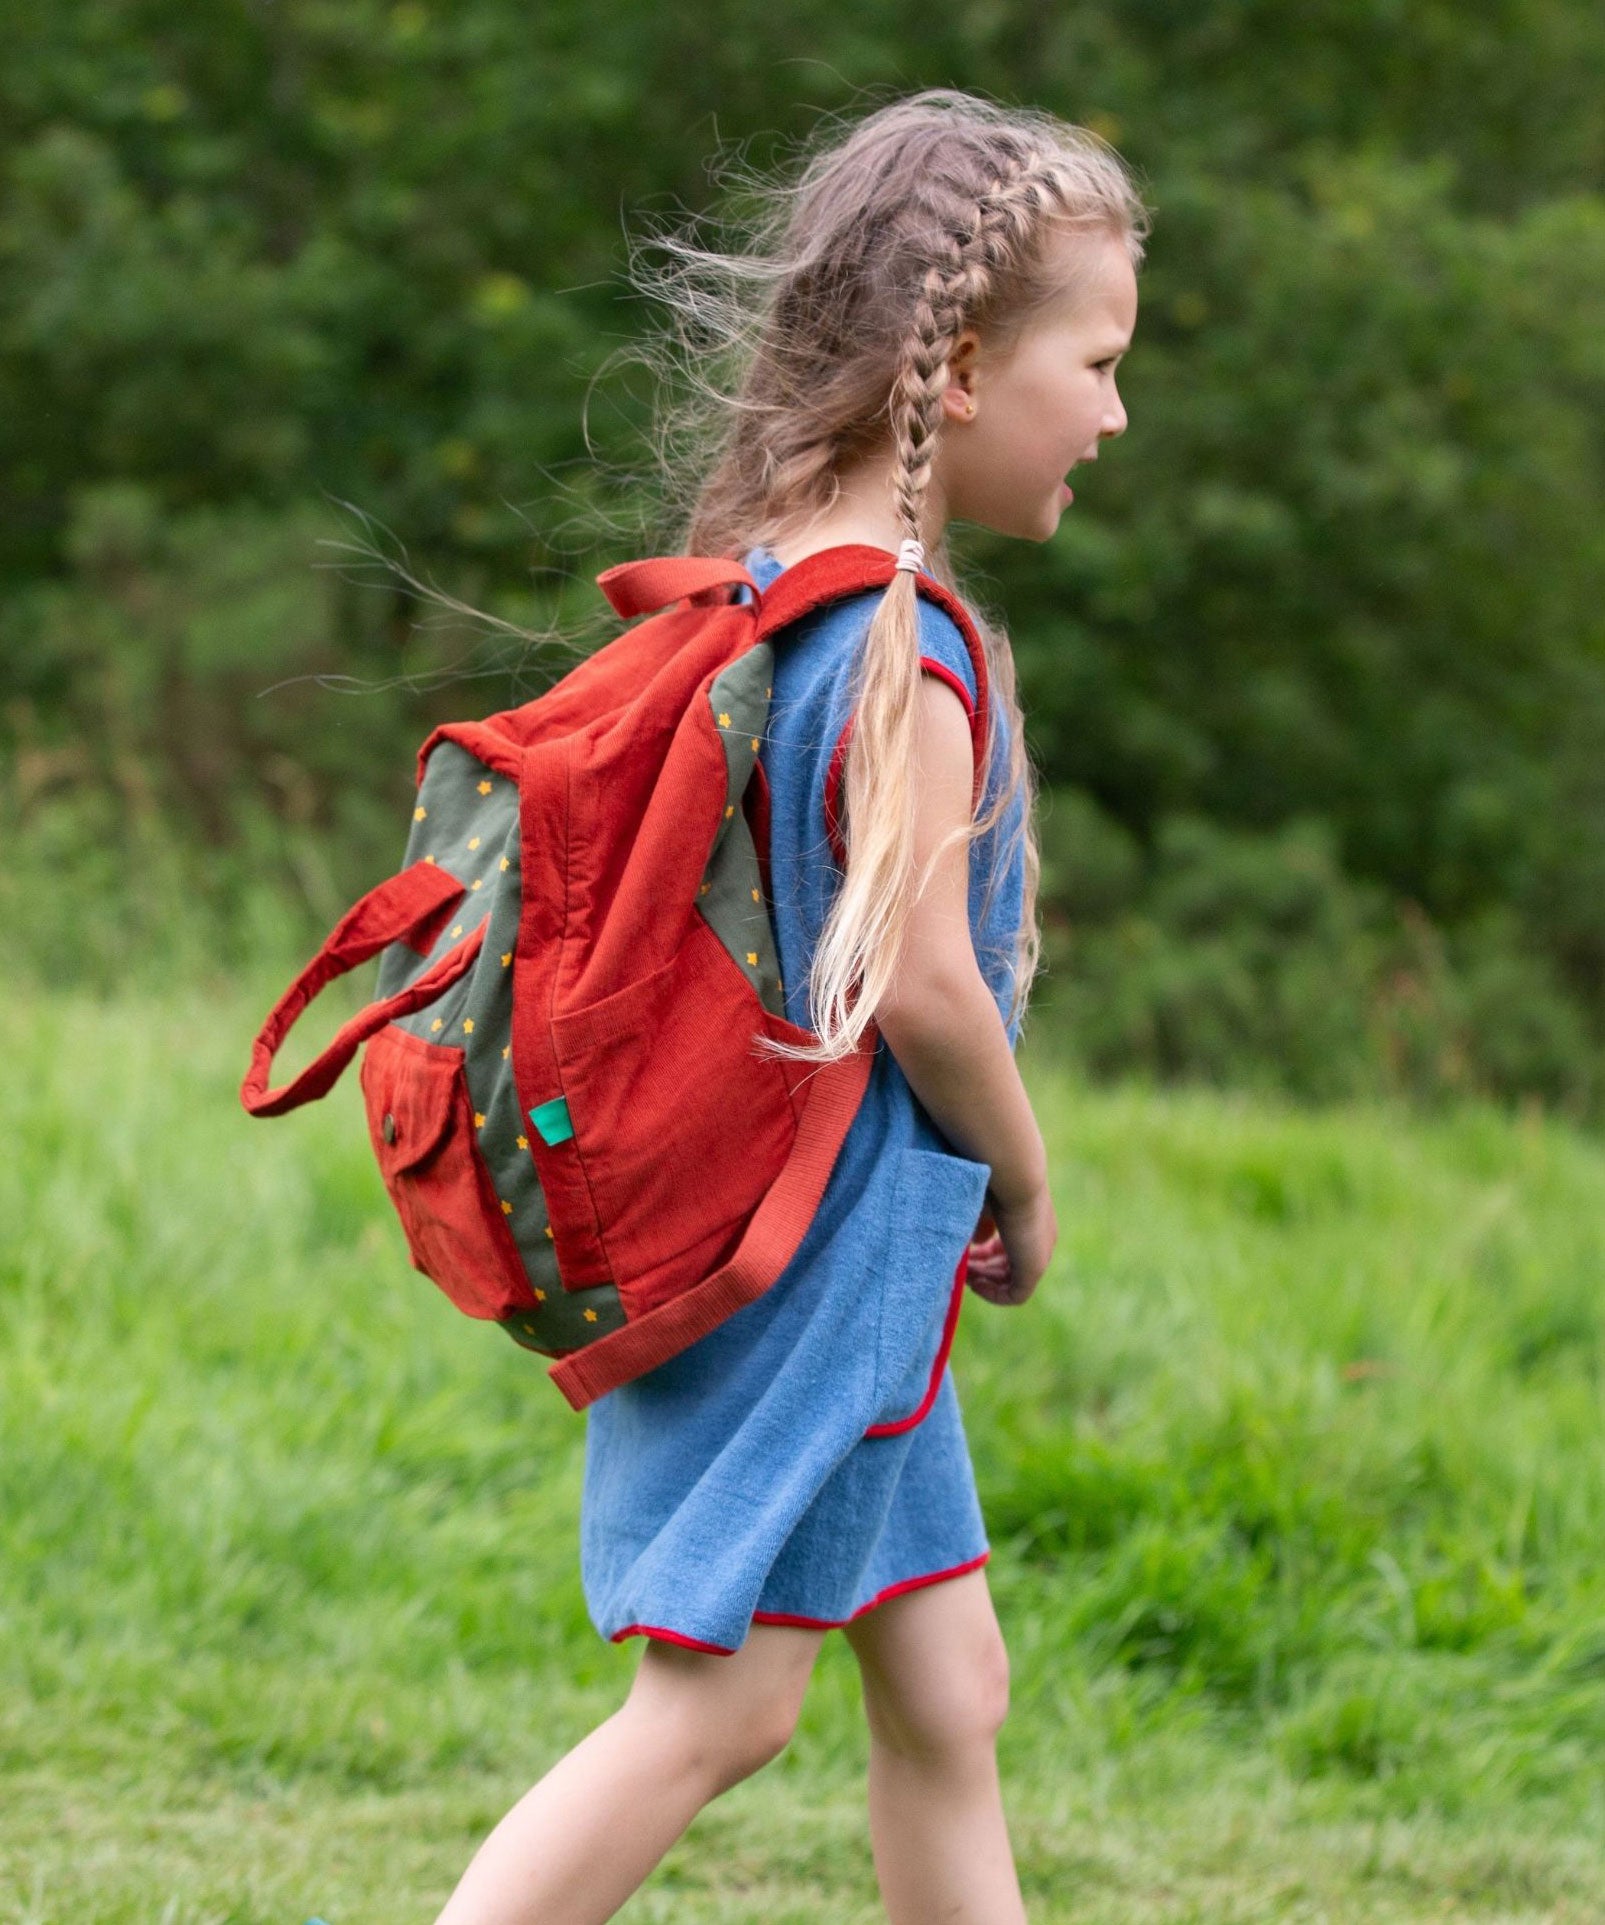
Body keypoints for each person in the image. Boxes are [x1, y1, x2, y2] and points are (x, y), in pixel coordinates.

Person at [432, 86, 1145, 1925]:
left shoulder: (768, 595)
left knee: (948, 1685)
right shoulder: (904, 646)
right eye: (1100, 360)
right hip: (815, 1259)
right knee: (718, 1705)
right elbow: (918, 982)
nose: (1118, 414)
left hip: (844, 1256)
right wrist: (1031, 1170)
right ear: (965, 369)